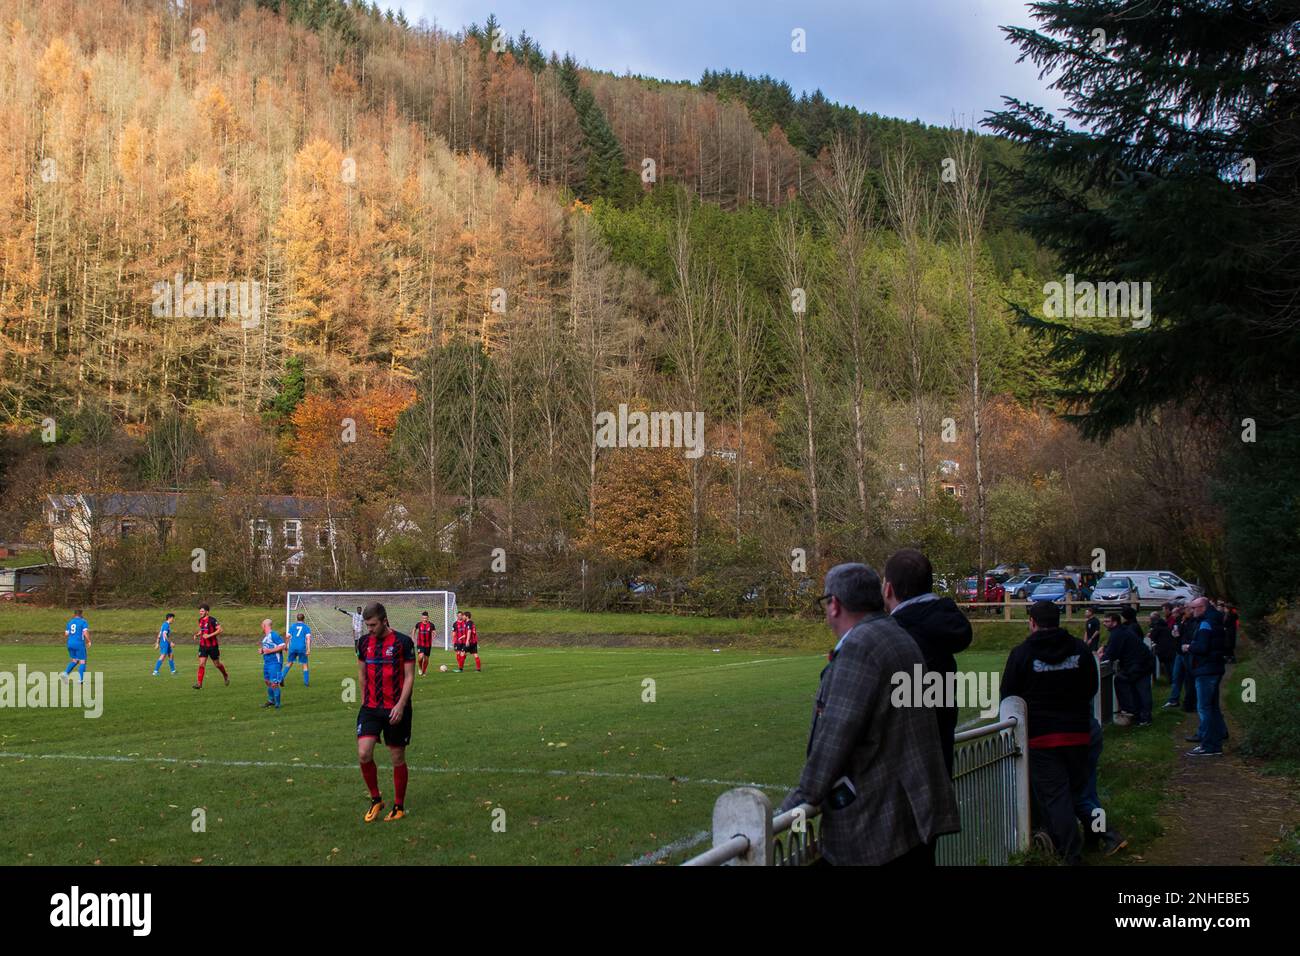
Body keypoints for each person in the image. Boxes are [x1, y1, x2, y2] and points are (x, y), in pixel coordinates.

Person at [777, 563, 960, 866]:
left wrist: (792, 808)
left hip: (878, 827)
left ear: (834, 604)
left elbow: (835, 739)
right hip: (912, 817)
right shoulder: (897, 636)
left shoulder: (861, 648)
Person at [1001, 601, 1098, 865]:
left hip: (1042, 737)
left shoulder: (1021, 654)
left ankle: (1070, 852)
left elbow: (1009, 696)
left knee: (1056, 795)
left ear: (1032, 622)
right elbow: (1091, 686)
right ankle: (1085, 836)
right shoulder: (1079, 649)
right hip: (1077, 733)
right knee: (1072, 791)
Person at [883, 548, 973, 777]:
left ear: (888, 588)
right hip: (940, 752)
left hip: (901, 767)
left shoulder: (895, 634)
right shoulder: (940, 625)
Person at [356, 602, 416, 822]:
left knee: (397, 757)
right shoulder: (363, 643)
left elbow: (410, 676)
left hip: (396, 708)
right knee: (364, 753)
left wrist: (401, 704)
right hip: (371, 708)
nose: (369, 629)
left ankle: (398, 806)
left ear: (384, 620)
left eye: (373, 625)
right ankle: (376, 799)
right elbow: (361, 673)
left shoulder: (403, 642)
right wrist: (364, 700)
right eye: (367, 625)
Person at [1073, 715, 1128, 857]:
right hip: (1089, 731)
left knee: (1078, 797)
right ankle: (1092, 841)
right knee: (1088, 794)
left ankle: (1109, 834)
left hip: (1076, 737)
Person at [1185, 597, 1227, 756]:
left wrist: (1189, 646)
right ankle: (1215, 743)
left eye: (1193, 608)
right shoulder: (1215, 620)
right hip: (1214, 668)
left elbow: (1202, 647)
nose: (1191, 611)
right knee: (1213, 707)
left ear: (1202, 607)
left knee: (1204, 708)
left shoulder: (1205, 624)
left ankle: (1208, 745)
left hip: (1205, 670)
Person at [1101, 610, 1153, 725]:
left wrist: (1102, 657)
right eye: (1104, 621)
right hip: (1143, 662)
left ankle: (1136, 713)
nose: (1104, 623)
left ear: (1114, 623)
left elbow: (1111, 653)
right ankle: (1140, 714)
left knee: (1127, 683)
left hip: (1138, 664)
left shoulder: (1117, 633)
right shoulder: (1122, 631)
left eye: (1107, 621)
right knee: (1139, 689)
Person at [192, 603, 229, 690]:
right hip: (203, 646)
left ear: (207, 612)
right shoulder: (200, 620)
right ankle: (199, 683)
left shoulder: (212, 620)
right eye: (200, 611)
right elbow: (202, 630)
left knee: (217, 664)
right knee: (201, 663)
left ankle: (225, 675)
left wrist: (209, 635)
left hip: (213, 646)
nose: (200, 612)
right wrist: (197, 634)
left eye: (202, 611)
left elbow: (220, 630)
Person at [259, 619, 286, 709]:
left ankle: (277, 704)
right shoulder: (266, 637)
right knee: (267, 681)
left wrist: (270, 651)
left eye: (262, 625)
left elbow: (283, 645)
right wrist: (262, 650)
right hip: (267, 663)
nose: (261, 627)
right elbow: (267, 648)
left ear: (264, 625)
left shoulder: (274, 635)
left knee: (274, 683)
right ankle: (271, 701)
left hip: (275, 662)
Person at [282, 613, 312, 687]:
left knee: (289, 663)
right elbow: (308, 639)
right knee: (305, 664)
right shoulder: (306, 627)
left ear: (297, 619)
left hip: (293, 647)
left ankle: (280, 678)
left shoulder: (293, 626)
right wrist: (308, 649)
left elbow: (287, 637)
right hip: (301, 647)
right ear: (303, 619)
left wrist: (285, 646)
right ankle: (306, 683)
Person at [61, 609, 91, 684]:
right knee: (83, 661)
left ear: (74, 614)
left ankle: (65, 673)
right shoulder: (83, 621)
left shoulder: (70, 622)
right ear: (81, 614)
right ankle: (81, 680)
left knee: (75, 660)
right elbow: (85, 632)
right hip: (79, 643)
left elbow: (66, 634)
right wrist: (88, 641)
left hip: (70, 643)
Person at [1147, 611, 1176, 682]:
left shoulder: (1156, 627)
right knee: (1171, 665)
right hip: (1171, 648)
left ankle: (1171, 680)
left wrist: (1150, 634)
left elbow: (1152, 637)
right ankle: (1173, 680)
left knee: (1168, 665)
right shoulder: (1165, 625)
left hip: (1163, 649)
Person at [152, 612, 177, 676]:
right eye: (173, 618)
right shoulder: (166, 625)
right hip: (164, 642)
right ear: (169, 618)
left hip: (165, 643)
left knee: (171, 655)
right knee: (163, 656)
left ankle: (173, 671)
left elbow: (159, 634)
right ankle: (155, 671)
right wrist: (170, 642)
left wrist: (157, 643)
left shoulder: (164, 624)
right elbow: (164, 635)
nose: (173, 620)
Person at [414, 611, 437, 676]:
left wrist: (434, 634)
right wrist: (413, 636)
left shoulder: (431, 625)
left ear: (428, 618)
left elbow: (434, 632)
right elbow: (414, 629)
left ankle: (424, 671)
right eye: (423, 618)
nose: (425, 619)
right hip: (420, 644)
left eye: (426, 618)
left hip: (428, 644)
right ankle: (420, 668)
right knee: (420, 657)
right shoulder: (418, 624)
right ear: (421, 618)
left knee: (426, 659)